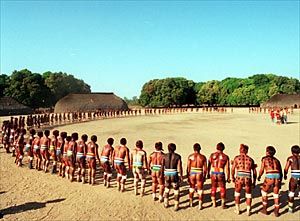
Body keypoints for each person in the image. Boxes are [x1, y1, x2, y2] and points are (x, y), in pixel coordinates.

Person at [231, 144, 257, 216]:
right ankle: (248, 211)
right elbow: (254, 172)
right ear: (247, 151)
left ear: (241, 150)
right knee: (248, 194)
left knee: (237, 193)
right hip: (248, 177)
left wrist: (232, 177)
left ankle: (237, 209)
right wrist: (254, 181)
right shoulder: (251, 159)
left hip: (239, 177)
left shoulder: (236, 158)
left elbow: (233, 169)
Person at [258, 146, 282, 217]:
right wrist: (280, 180)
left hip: (269, 176)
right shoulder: (277, 160)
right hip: (277, 176)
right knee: (276, 194)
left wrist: (259, 176)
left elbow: (262, 169)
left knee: (264, 191)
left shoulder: (264, 159)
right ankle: (276, 211)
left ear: (267, 152)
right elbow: (280, 171)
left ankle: (265, 210)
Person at [207, 142, 230, 209]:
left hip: (213, 172)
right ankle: (223, 204)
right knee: (222, 188)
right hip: (220, 172)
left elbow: (209, 164)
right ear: (223, 148)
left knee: (213, 187)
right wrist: (228, 177)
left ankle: (214, 203)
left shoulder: (212, 155)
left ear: (216, 148)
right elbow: (227, 168)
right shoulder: (225, 157)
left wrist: (208, 173)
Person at [186, 143, 207, 210]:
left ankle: (191, 202)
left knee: (192, 187)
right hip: (199, 172)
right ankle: (200, 205)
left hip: (192, 172)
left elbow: (188, 168)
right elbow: (205, 169)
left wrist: (187, 176)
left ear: (194, 149)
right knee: (200, 189)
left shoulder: (190, 156)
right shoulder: (203, 157)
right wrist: (204, 176)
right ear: (200, 149)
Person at [163, 143, 183, 211]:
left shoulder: (164, 156)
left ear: (168, 149)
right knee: (176, 190)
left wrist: (162, 175)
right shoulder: (178, 156)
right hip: (174, 174)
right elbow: (179, 167)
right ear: (175, 148)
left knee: (167, 189)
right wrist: (181, 176)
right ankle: (176, 205)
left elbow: (162, 166)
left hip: (167, 173)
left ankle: (166, 203)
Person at [283, 145, 300, 213]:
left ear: (292, 151)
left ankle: (290, 209)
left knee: (291, 192)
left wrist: (285, 175)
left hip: (294, 177)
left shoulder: (290, 158)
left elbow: (286, 168)